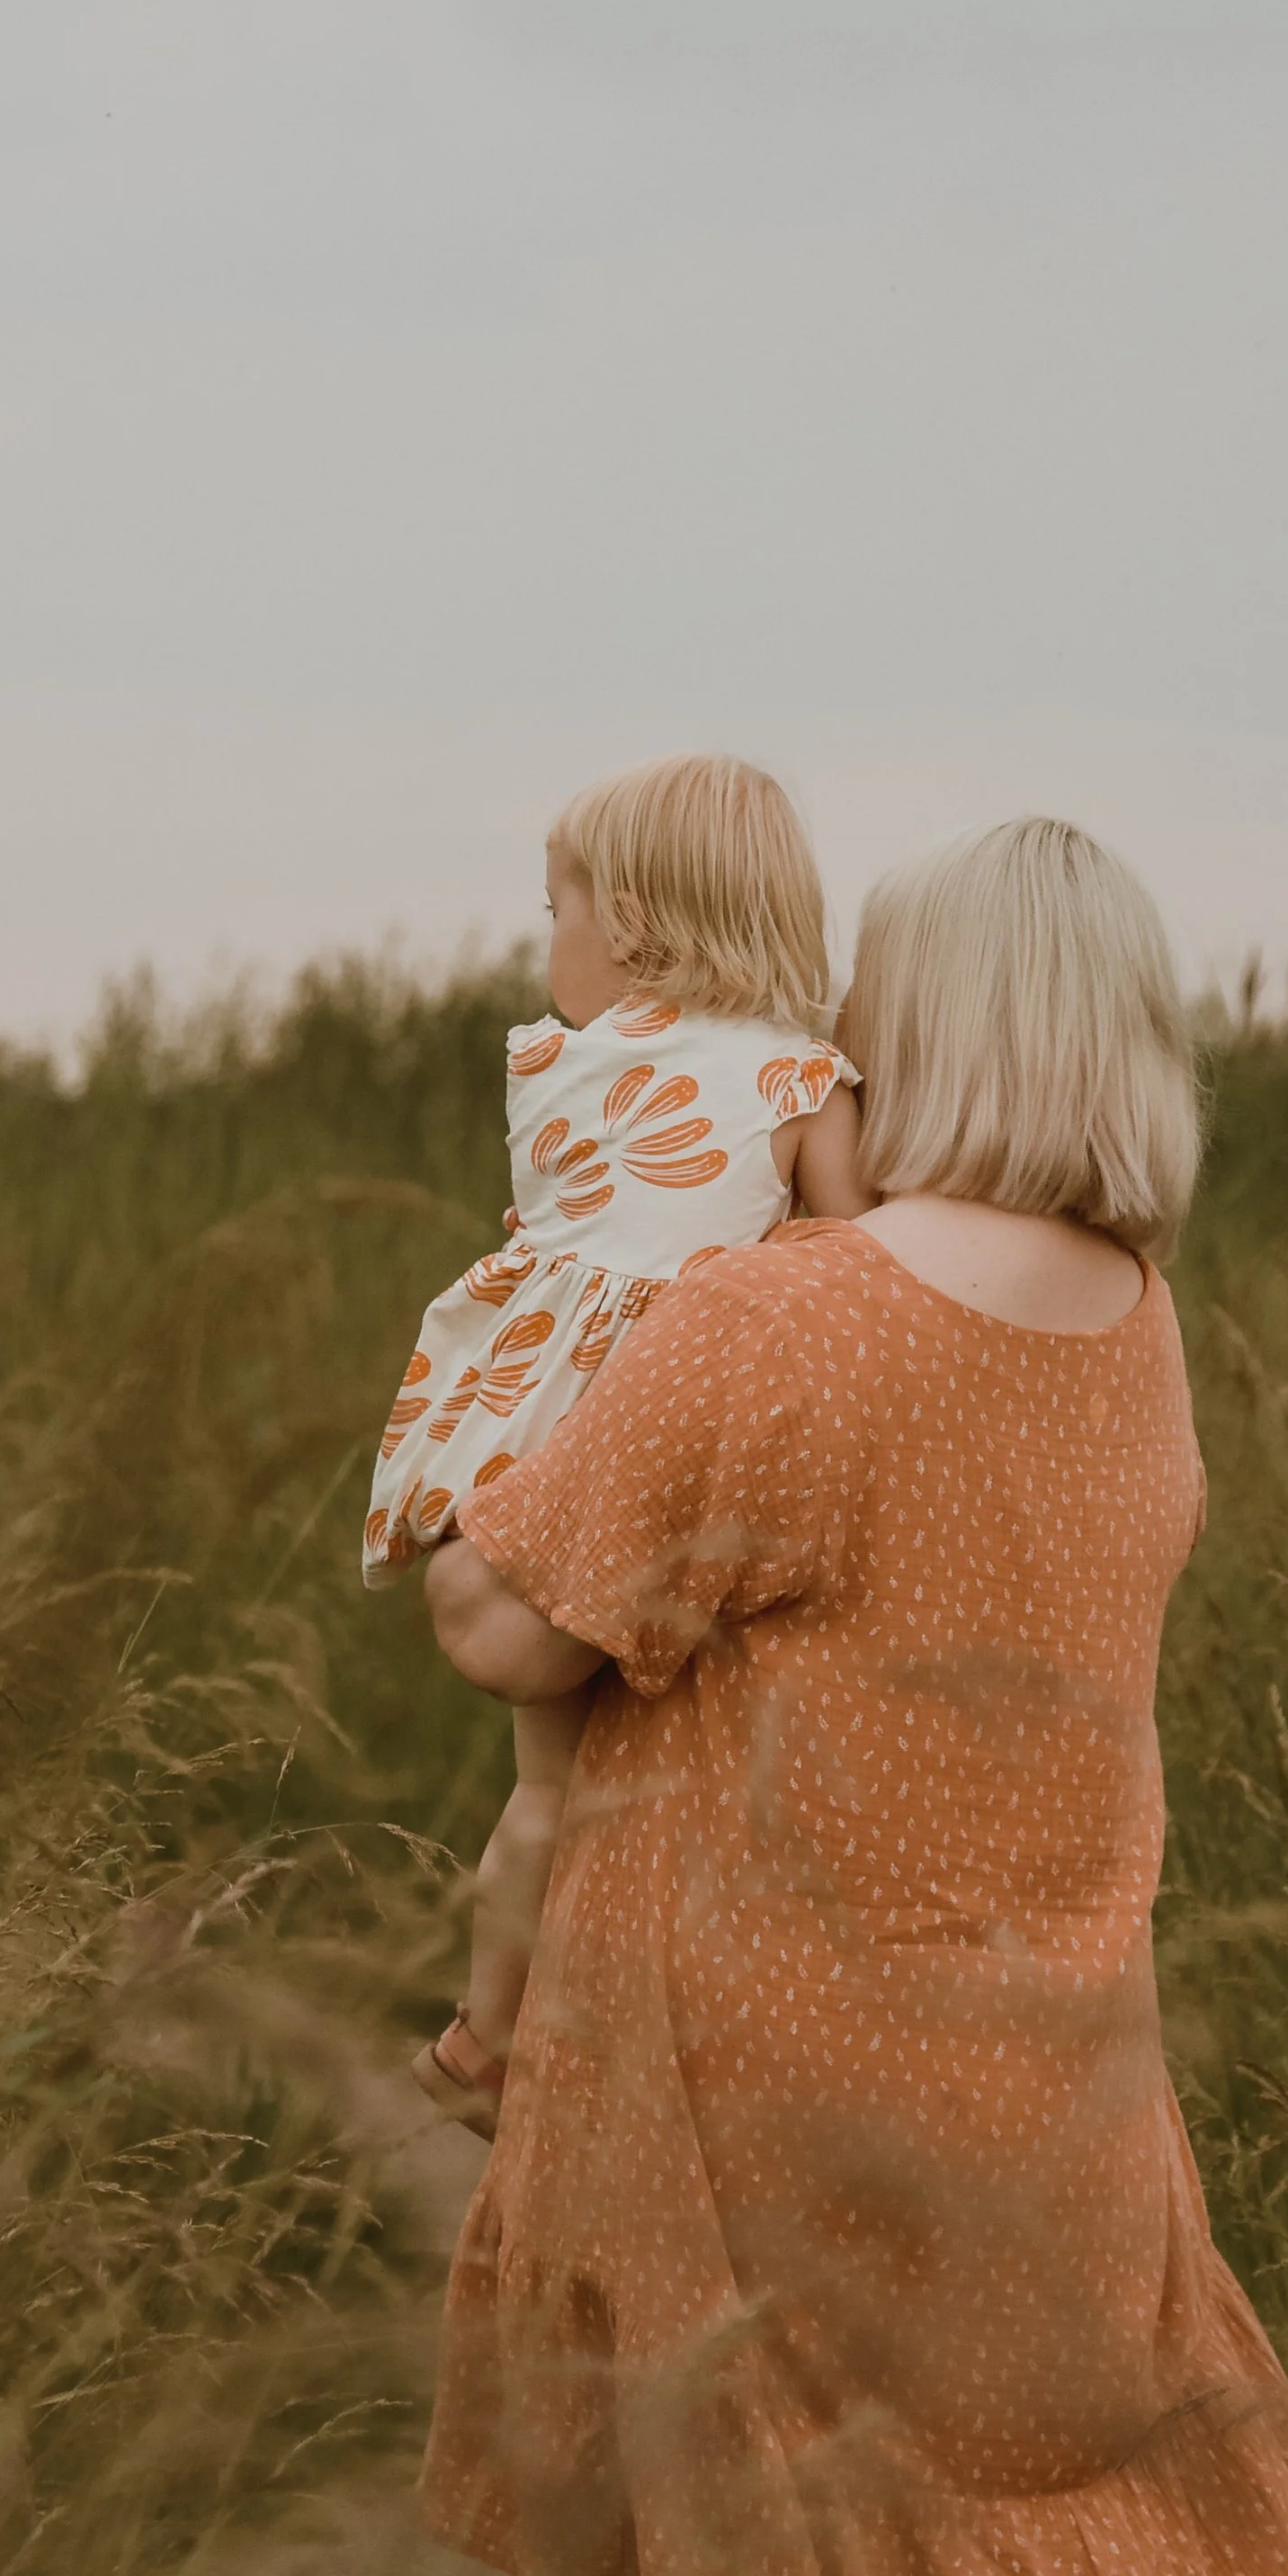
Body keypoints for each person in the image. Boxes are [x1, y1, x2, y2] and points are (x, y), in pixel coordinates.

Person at [418, 818, 1288, 2576]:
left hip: (725, 2092)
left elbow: (500, 1622)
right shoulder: (1136, 1327)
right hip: (1050, 2087)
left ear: (910, 1028)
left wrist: (532, 1387)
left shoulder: (791, 1318)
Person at [363, 751, 872, 2136]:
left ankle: (484, 2039)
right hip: (670, 1446)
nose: (547, 949)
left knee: (546, 1788)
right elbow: (858, 1270)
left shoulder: (558, 1065)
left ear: (634, 925)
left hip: (538, 1439)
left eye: (554, 912)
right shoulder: (800, 1080)